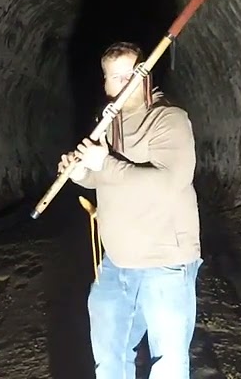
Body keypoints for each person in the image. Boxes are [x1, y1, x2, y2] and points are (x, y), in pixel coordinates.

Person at [56, 41, 203, 379]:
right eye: (114, 77)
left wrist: (103, 163)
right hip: (117, 262)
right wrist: (82, 173)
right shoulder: (107, 122)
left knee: (168, 365)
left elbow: (169, 181)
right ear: (105, 83)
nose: (122, 84)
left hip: (165, 262)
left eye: (130, 76)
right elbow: (103, 178)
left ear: (145, 76)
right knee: (109, 359)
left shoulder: (169, 119)